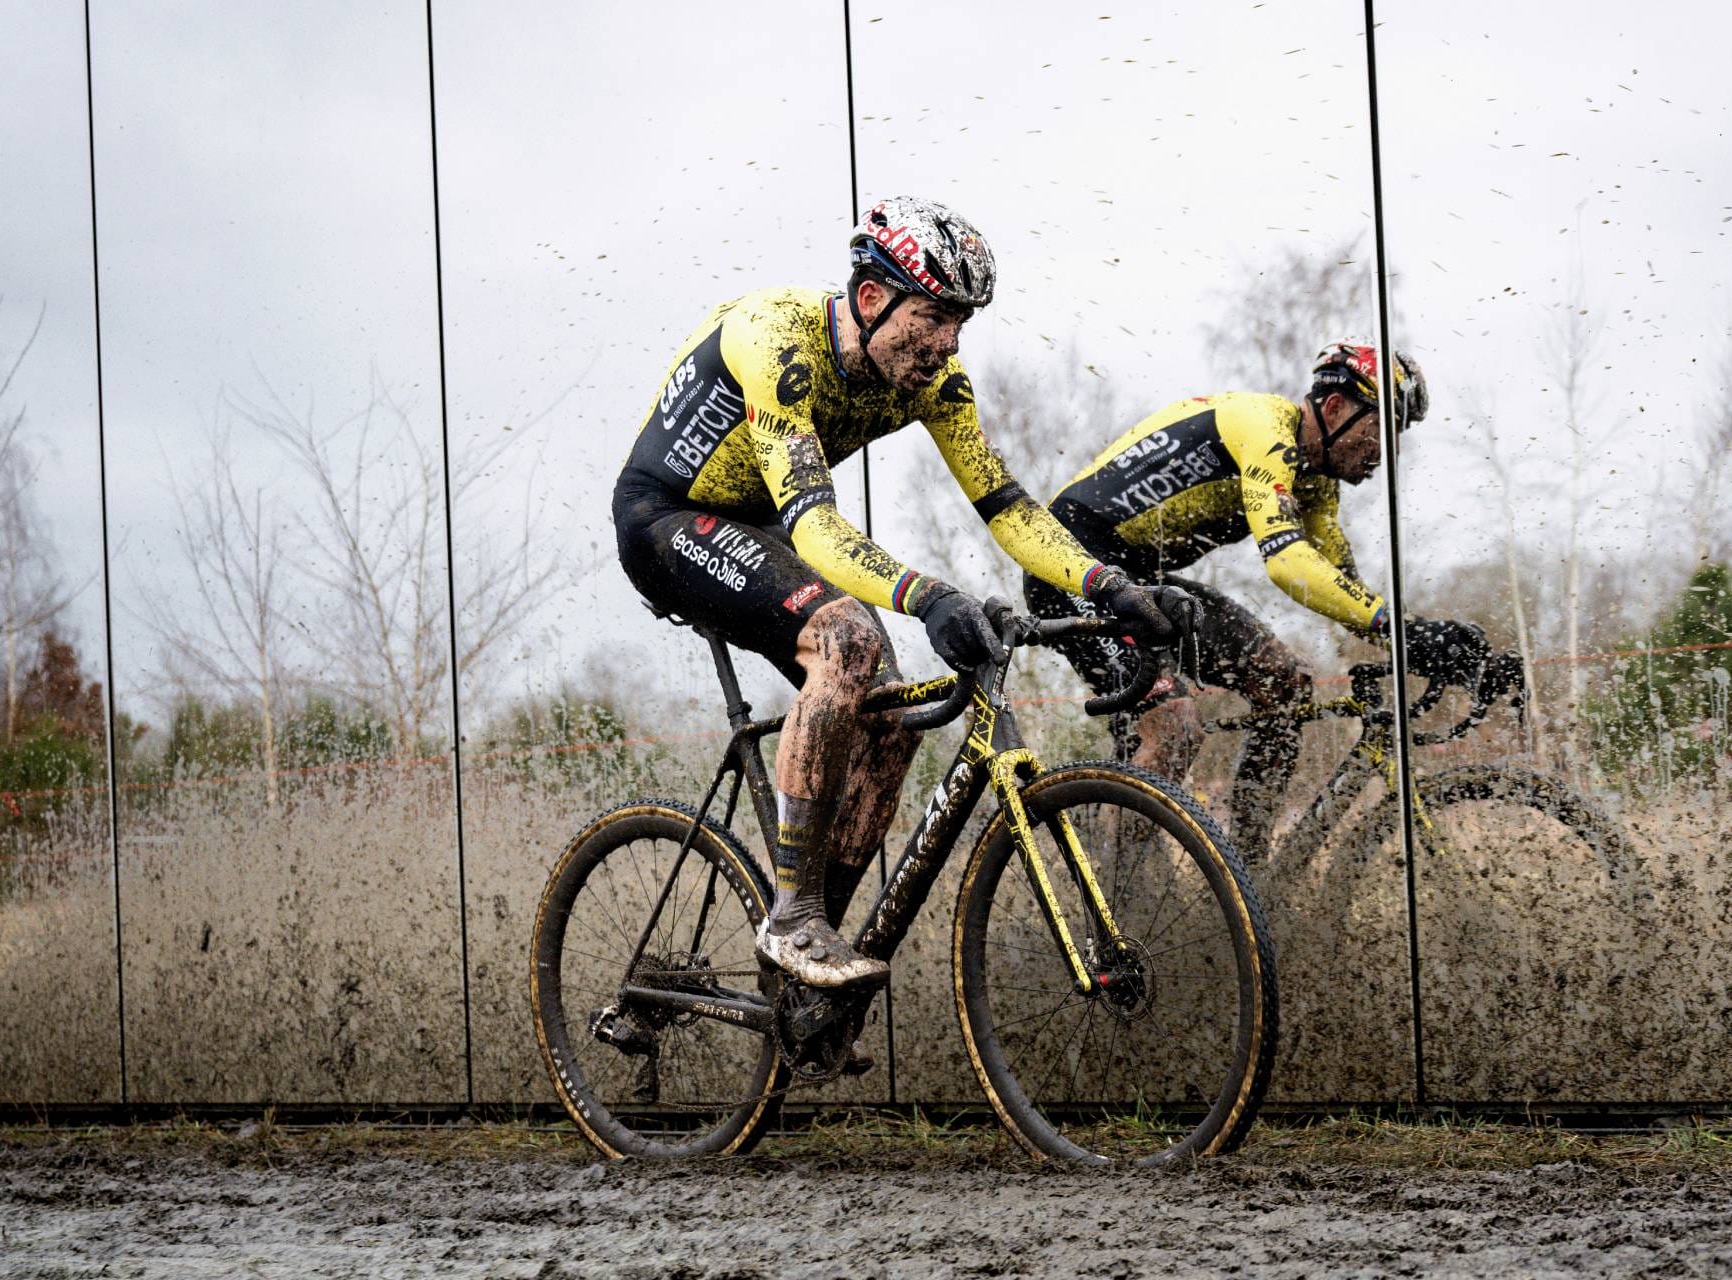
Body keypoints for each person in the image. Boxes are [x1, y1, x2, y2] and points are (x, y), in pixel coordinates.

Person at [612, 196, 1174, 990]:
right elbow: (812, 527)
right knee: (848, 641)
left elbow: (1007, 507)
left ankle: (807, 966)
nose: (948, 343)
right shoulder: (779, 340)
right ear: (872, 298)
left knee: (895, 717)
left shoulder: (931, 379)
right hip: (665, 518)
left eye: (962, 324)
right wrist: (927, 596)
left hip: (756, 525)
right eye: (937, 316)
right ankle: (792, 920)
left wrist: (1108, 584)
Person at [1024, 342, 1488, 856]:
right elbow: (1288, 562)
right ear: (1335, 409)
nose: (1384, 451)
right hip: (1068, 567)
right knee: (1175, 728)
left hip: (1138, 578)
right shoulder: (1265, 428)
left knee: (1283, 683)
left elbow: (1340, 584)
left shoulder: (1316, 484)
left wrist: (1416, 635)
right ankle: (1114, 904)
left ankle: (1248, 869)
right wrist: (1394, 629)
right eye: (1379, 429)